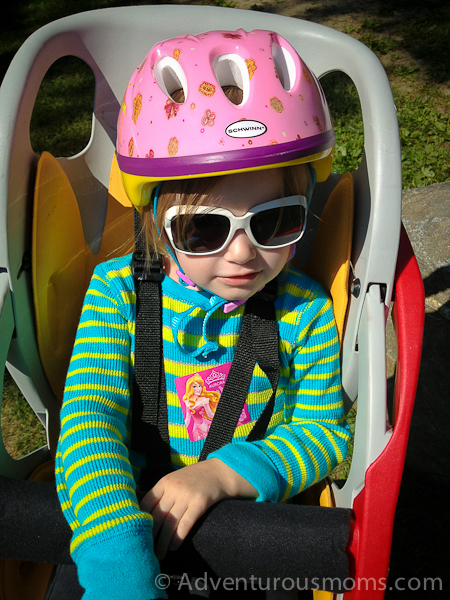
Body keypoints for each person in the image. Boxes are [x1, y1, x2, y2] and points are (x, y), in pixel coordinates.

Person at [55, 28, 351, 600]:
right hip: (127, 507)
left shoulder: (304, 310)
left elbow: (322, 431)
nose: (243, 253)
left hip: (250, 525)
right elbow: (90, 422)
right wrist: (116, 552)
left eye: (275, 221)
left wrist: (221, 474)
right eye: (204, 228)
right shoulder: (118, 294)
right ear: (156, 226)